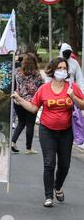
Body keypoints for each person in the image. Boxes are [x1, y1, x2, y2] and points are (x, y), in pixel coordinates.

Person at [12, 58, 84, 207]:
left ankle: (57, 187)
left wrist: (73, 97)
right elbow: (33, 108)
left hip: (66, 132)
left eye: (64, 68)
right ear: (52, 70)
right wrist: (19, 99)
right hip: (47, 131)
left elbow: (82, 106)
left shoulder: (72, 87)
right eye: (59, 68)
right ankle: (48, 196)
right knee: (49, 163)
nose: (62, 71)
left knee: (64, 165)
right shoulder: (44, 89)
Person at [11, 53, 44, 154]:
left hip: (18, 101)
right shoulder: (37, 75)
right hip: (31, 103)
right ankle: (28, 148)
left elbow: (13, 85)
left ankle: (13, 141)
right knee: (30, 124)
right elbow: (42, 87)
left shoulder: (17, 72)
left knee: (21, 122)